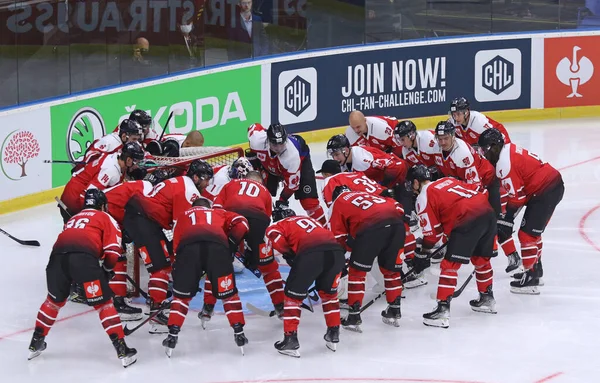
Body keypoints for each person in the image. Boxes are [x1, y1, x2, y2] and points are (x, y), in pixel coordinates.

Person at [28, 189, 137, 368]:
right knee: (104, 305)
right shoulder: (106, 218)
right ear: (102, 205)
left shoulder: (73, 219)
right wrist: (107, 270)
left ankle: (35, 342)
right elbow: (112, 253)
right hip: (83, 260)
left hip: (56, 259)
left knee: (52, 302)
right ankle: (122, 350)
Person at [122, 159, 213, 333]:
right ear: (195, 177)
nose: (207, 183)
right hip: (143, 220)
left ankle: (157, 301)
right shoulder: (189, 192)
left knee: (165, 262)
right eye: (205, 178)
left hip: (143, 218)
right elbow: (181, 228)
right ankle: (156, 315)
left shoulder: (182, 181)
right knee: (161, 267)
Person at [408, 165, 497, 328]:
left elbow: (431, 236)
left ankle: (442, 310)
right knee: (481, 259)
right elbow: (480, 190)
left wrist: (422, 255)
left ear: (416, 182)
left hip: (466, 218)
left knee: (449, 265)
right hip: (487, 212)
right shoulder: (447, 180)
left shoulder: (423, 196)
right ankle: (487, 299)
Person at [478, 128, 564, 295]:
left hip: (545, 190)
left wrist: (508, 219)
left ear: (494, 146)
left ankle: (531, 277)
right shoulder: (507, 150)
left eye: (485, 149)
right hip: (547, 187)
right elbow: (520, 192)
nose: (483, 154)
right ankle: (535, 271)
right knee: (532, 233)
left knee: (527, 235)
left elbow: (517, 198)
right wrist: (507, 219)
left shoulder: (504, 165)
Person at [163, 198, 250, 357]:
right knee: (229, 295)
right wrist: (231, 243)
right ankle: (239, 333)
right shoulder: (218, 212)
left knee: (181, 298)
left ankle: (172, 335)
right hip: (217, 248)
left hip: (188, 250)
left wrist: (181, 272)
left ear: (193, 207)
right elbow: (242, 223)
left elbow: (175, 247)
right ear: (209, 207)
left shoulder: (183, 215)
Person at [317, 159, 422, 289]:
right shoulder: (355, 173)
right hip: (387, 200)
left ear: (327, 174)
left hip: (370, 213)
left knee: (368, 245)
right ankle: (410, 265)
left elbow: (336, 207)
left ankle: (390, 281)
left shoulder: (330, 182)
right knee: (399, 233)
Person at [433, 120, 520, 272]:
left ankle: (513, 255)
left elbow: (475, 187)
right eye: (440, 139)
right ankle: (445, 246)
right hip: (464, 185)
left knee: (495, 221)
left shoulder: (462, 153)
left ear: (453, 136)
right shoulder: (439, 149)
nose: (442, 142)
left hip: (486, 183)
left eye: (446, 138)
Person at [265, 207, 345, 357]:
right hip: (336, 253)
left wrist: (289, 253)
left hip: (311, 254)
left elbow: (276, 240)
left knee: (292, 297)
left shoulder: (278, 225)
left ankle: (290, 340)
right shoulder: (311, 221)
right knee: (329, 294)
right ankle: (333, 333)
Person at [205, 170, 285, 321]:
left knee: (217, 264)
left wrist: (226, 241)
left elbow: (216, 210)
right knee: (269, 268)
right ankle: (280, 306)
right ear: (260, 182)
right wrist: (253, 253)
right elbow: (265, 221)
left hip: (233, 217)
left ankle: (207, 307)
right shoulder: (265, 192)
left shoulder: (231, 184)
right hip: (258, 219)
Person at [328, 187, 405, 332]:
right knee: (392, 271)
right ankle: (394, 310)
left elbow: (337, 236)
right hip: (397, 224)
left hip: (371, 227)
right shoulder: (366, 194)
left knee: (356, 273)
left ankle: (354, 316)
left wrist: (341, 256)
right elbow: (399, 209)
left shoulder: (338, 202)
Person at [102, 173, 170, 320]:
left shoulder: (137, 186)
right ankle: (118, 303)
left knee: (118, 256)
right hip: (104, 216)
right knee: (117, 255)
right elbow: (143, 210)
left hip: (107, 214)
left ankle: (118, 302)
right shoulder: (147, 189)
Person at [247, 123, 326, 224]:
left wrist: (282, 199)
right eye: (275, 144)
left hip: (300, 160)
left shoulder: (292, 157)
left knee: (309, 203)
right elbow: (254, 126)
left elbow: (292, 186)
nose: (279, 148)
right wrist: (255, 158)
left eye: (282, 143)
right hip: (271, 163)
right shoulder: (257, 140)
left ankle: (326, 230)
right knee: (257, 189)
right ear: (268, 140)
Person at [325, 134, 412, 224]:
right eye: (332, 155)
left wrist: (384, 188)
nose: (335, 158)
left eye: (336, 154)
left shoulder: (362, 158)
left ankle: (408, 214)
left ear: (346, 150)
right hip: (382, 179)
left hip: (399, 173)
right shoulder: (346, 162)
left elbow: (396, 166)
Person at [60, 141, 145, 223]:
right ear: (129, 160)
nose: (137, 165)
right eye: (136, 161)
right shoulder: (110, 171)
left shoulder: (116, 157)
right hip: (74, 198)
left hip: (73, 191)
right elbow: (88, 195)